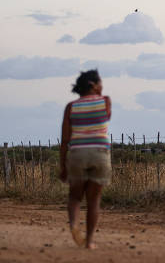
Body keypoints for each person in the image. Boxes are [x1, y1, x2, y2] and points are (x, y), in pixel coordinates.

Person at [59, 69, 111, 249]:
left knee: (74, 197)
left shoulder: (71, 107)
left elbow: (65, 139)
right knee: (94, 201)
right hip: (100, 153)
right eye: (100, 83)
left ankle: (74, 225)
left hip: (77, 154)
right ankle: (89, 241)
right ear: (93, 85)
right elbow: (107, 118)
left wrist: (63, 166)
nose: (102, 86)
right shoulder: (105, 102)